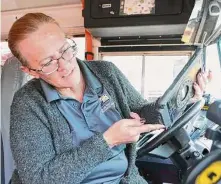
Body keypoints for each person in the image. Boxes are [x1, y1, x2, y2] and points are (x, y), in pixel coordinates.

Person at [8, 13, 210, 184]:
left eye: (64, 51)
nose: (65, 66)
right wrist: (108, 141)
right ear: (31, 71)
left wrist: (185, 99)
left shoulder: (106, 73)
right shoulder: (27, 103)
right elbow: (39, 179)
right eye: (48, 62)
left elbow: (142, 113)